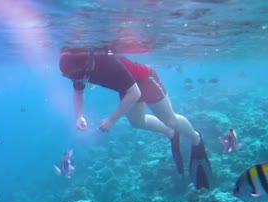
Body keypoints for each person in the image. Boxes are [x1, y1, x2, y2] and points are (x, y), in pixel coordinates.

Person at [59, 48, 212, 190]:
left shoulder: (106, 61)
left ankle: (196, 139)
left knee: (170, 119)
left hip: (145, 80)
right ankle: (171, 133)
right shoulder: (76, 69)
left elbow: (135, 93)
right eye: (69, 76)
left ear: (87, 64)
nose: (74, 79)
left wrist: (112, 119)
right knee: (137, 123)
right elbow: (78, 93)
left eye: (74, 75)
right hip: (127, 87)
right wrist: (79, 116)